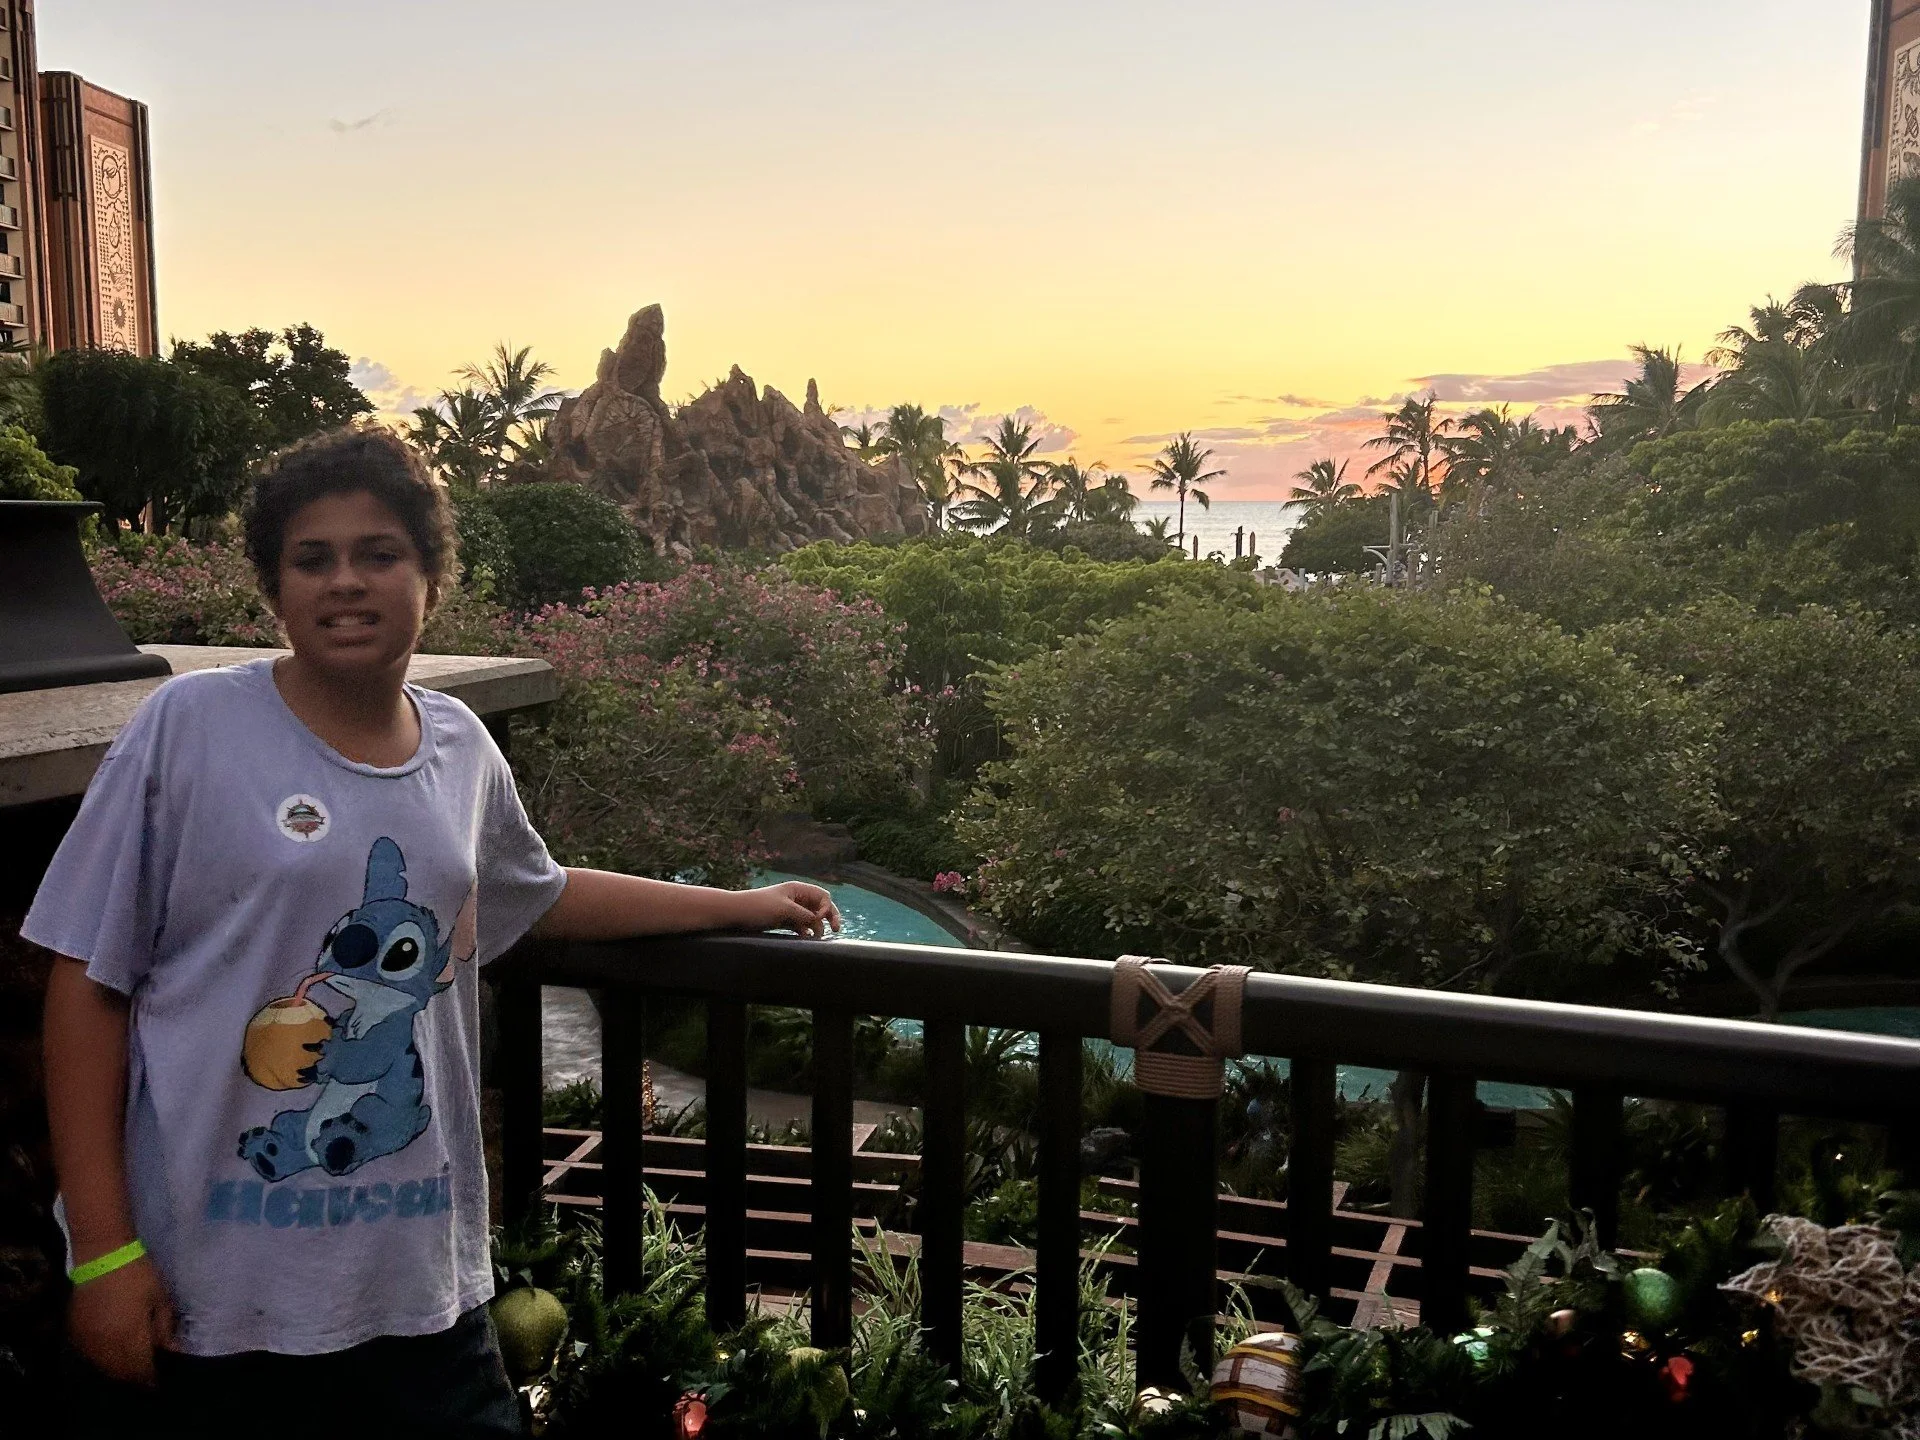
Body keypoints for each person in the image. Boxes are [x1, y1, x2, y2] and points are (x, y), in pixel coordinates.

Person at [33, 426, 841, 1436]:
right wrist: (104, 1255)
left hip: (422, 1294)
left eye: (380, 554)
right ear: (274, 590)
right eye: (311, 559)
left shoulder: (459, 745)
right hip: (213, 1302)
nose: (345, 584)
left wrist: (740, 905)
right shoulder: (189, 728)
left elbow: (530, 892)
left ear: (430, 577)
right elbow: (87, 983)